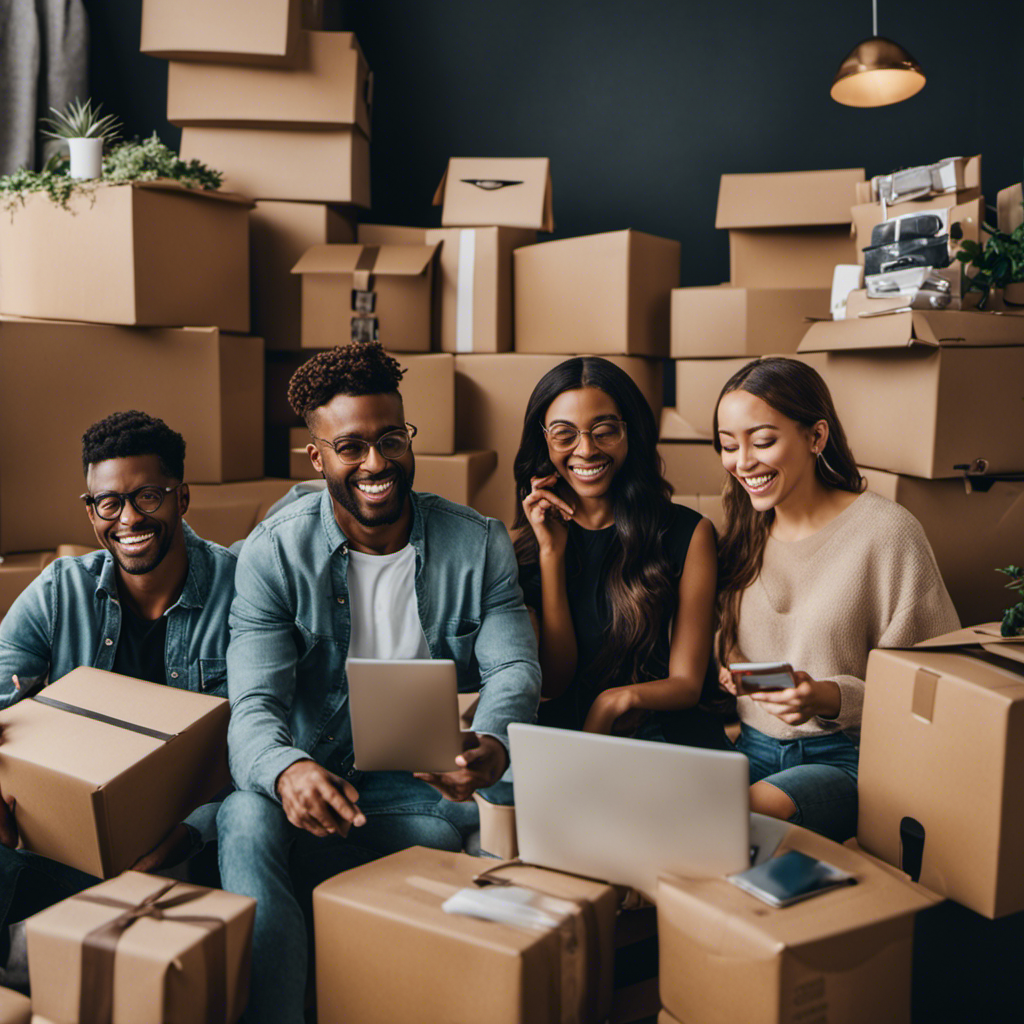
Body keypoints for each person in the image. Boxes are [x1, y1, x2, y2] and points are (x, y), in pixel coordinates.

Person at [218, 342, 540, 1024]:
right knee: (242, 817)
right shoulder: (273, 553)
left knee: (514, 808)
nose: (375, 463)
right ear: (318, 459)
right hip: (314, 782)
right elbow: (252, 707)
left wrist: (492, 742)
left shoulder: (477, 543)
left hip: (420, 784)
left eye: (391, 439)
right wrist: (285, 773)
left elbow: (514, 667)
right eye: (352, 446)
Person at [0, 410, 237, 970]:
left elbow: (262, 730)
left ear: (182, 496)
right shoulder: (60, 590)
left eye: (148, 497)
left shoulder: (240, 592)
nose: (128, 518)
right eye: (109, 503)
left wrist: (184, 838)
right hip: (66, 834)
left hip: (194, 839)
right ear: (91, 510)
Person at [714, 357, 960, 841]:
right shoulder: (745, 528)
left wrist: (825, 697)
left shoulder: (887, 533)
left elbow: (936, 690)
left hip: (847, 756)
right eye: (727, 445)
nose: (742, 461)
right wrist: (732, 662)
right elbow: (724, 630)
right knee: (668, 805)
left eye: (763, 441)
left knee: (732, 821)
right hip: (753, 746)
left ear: (816, 437)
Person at [512, 356, 730, 749]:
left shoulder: (688, 533)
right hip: (561, 740)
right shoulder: (522, 545)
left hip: (662, 737)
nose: (586, 449)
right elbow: (554, 682)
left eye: (605, 430)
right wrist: (551, 555)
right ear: (544, 441)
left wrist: (613, 702)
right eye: (565, 435)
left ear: (632, 434)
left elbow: (686, 684)